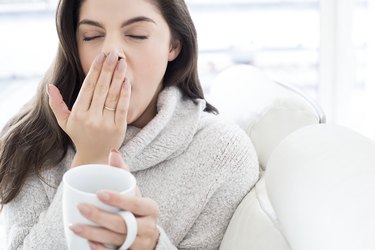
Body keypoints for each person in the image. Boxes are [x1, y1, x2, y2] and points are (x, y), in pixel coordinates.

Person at [0, 0, 259, 249]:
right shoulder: (32, 141)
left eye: (136, 34)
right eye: (91, 36)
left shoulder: (223, 152)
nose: (112, 53)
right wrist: (91, 158)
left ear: (174, 45)